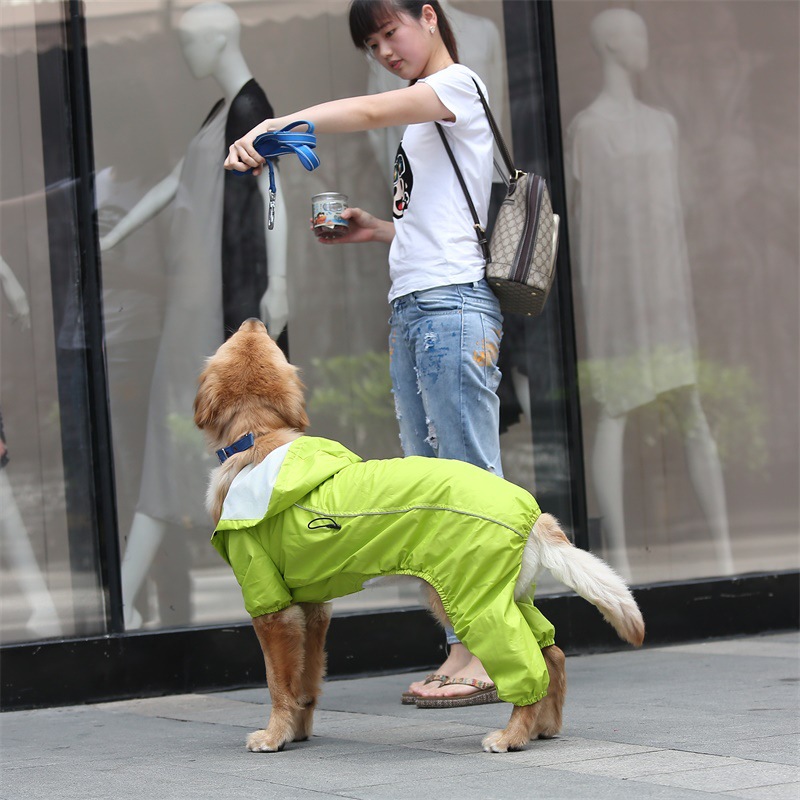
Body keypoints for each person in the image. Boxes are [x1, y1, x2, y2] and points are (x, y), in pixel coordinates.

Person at [225, 0, 504, 706]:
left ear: (430, 18)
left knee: (470, 485)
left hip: (450, 309)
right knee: (432, 493)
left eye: (391, 32)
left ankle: (495, 651)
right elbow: (441, 220)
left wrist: (276, 125)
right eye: (373, 43)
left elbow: (373, 111)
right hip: (416, 308)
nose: (384, 49)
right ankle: (463, 645)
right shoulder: (423, 117)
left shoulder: (459, 87)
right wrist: (378, 229)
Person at [101, 2, 288, 628]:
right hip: (195, 306)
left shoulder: (251, 110)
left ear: (218, 39)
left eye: (189, 42)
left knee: (226, 448)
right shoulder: (221, 115)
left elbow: (273, 196)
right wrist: (114, 236)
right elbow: (177, 181)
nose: (184, 55)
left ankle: (267, 598)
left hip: (216, 309)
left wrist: (279, 280)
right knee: (186, 441)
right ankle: (131, 596)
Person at [566, 9, 734, 578]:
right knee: (615, 410)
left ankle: (726, 554)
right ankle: (619, 562)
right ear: (613, 44)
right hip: (617, 289)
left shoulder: (664, 124)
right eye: (637, 36)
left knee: (691, 407)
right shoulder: (589, 128)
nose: (646, 47)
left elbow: (677, 212)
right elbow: (588, 223)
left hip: (666, 284)